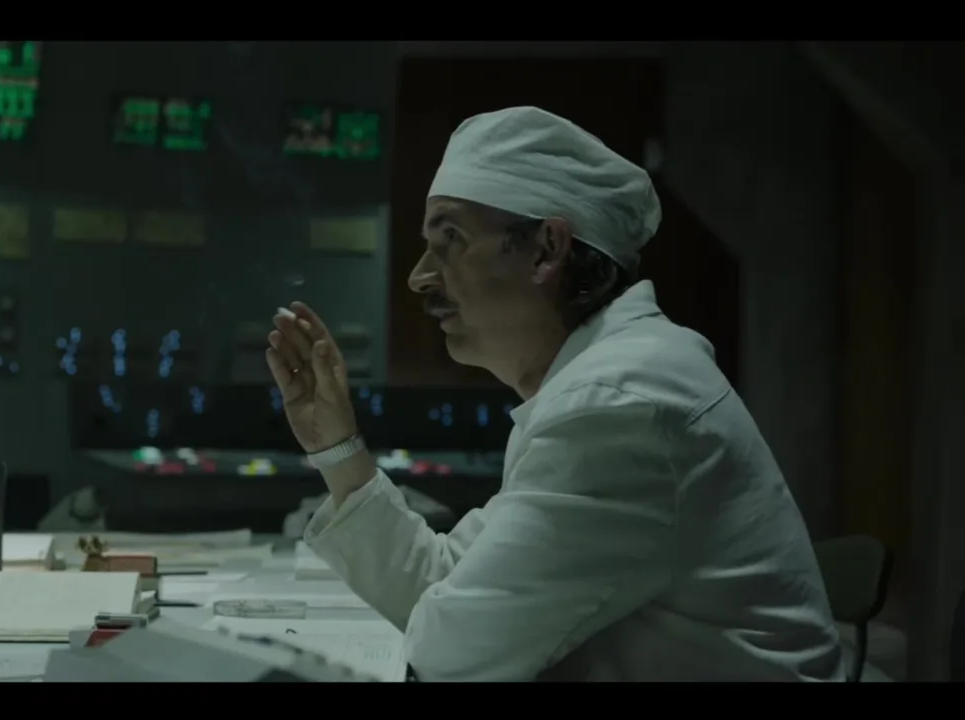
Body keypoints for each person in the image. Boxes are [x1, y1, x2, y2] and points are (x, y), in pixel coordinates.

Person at [266, 106, 844, 682]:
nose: (420, 276)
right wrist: (338, 448)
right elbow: (443, 580)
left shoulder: (621, 401)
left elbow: (452, 652)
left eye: (451, 239)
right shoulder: (607, 380)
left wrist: (447, 626)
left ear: (546, 249)